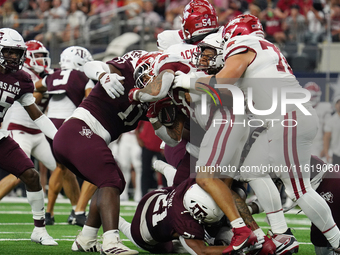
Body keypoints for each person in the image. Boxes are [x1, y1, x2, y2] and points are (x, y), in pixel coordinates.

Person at [177, 14, 340, 253]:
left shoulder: (245, 44)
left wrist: (189, 82)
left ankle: (337, 240)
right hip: (284, 119)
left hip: (288, 118)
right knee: (252, 169)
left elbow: (224, 79)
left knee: (298, 189)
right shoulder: (264, 49)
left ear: (236, 33)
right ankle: (281, 232)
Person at [52, 50, 151, 254]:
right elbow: (90, 66)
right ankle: (111, 242)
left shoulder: (156, 99)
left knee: (116, 181)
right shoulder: (126, 72)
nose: (153, 78)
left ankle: (86, 238)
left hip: (83, 137)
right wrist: (103, 75)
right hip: (79, 130)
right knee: (111, 180)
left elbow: (171, 134)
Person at [0, 28, 58, 245]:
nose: (14, 57)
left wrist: (58, 137)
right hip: (13, 130)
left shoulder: (22, 79)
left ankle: (39, 230)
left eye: (17, 52)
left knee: (31, 175)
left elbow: (37, 115)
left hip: (1, 136)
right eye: (9, 52)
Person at [35, 46, 96, 226]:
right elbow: (90, 102)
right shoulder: (84, 78)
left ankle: (48, 213)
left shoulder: (52, 76)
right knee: (96, 167)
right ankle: (79, 212)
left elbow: (35, 88)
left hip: (50, 126)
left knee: (61, 168)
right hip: (69, 126)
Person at [118, 177, 231, 254]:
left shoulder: (189, 185)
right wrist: (235, 248)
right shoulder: (185, 223)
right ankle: (119, 222)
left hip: (154, 197)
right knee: (172, 248)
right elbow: (202, 252)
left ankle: (162, 167)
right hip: (142, 231)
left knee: (176, 182)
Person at [304, 82, 332, 160]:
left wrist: (326, 148)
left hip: (320, 144)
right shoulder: (298, 108)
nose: (311, 98)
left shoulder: (325, 108)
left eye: (314, 96)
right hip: (303, 144)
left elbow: (328, 131)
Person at [323, 95, 340, 165]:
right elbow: (327, 137)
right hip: (336, 154)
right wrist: (326, 153)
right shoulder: (331, 121)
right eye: (338, 103)